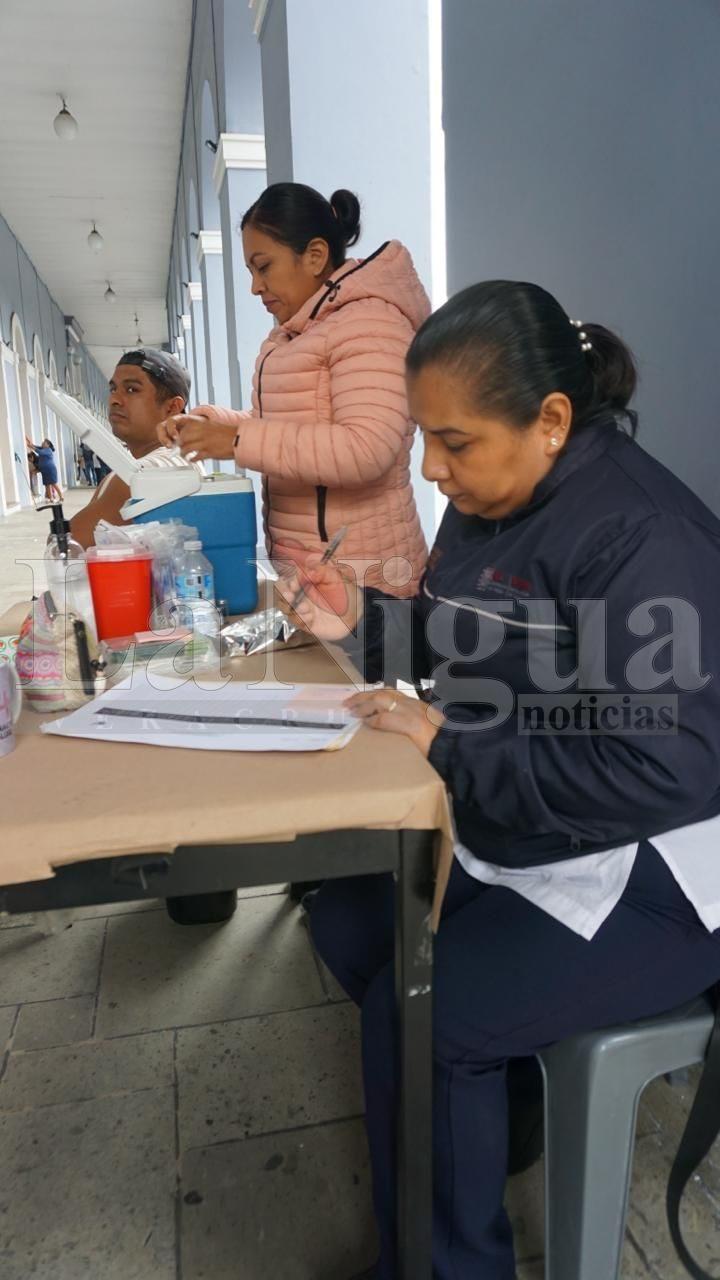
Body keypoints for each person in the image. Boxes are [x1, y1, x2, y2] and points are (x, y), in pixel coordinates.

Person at [284, 281, 720, 1280]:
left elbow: (661, 764)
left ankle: (445, 1262)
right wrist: (351, 623)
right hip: (530, 820)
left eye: (457, 442)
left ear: (553, 420)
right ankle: (493, 1102)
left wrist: (449, 747)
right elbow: (451, 636)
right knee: (351, 920)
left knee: (422, 1005)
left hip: (654, 865)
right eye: (426, 439)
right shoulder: (489, 500)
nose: (434, 469)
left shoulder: (640, 534)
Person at [156, 182, 429, 599]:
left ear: (315, 256)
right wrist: (212, 424)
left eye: (263, 267)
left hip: (369, 581)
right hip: (315, 577)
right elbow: (285, 427)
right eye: (250, 271)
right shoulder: (293, 333)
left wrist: (235, 440)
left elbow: (366, 447)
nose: (255, 287)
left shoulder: (370, 323)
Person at [70, 348, 233, 928]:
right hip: (147, 631)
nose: (115, 398)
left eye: (132, 388)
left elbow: (85, 531)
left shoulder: (162, 467)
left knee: (179, 767)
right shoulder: (127, 464)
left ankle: (202, 887)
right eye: (113, 387)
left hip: (168, 636)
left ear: (173, 407)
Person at [26, 436, 62, 503]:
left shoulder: (48, 450)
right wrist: (28, 441)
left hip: (50, 469)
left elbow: (39, 452)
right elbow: (34, 446)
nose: (42, 443)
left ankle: (61, 497)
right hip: (44, 470)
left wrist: (32, 446)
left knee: (53, 483)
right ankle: (51, 498)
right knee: (47, 484)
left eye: (44, 443)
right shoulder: (42, 448)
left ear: (48, 445)